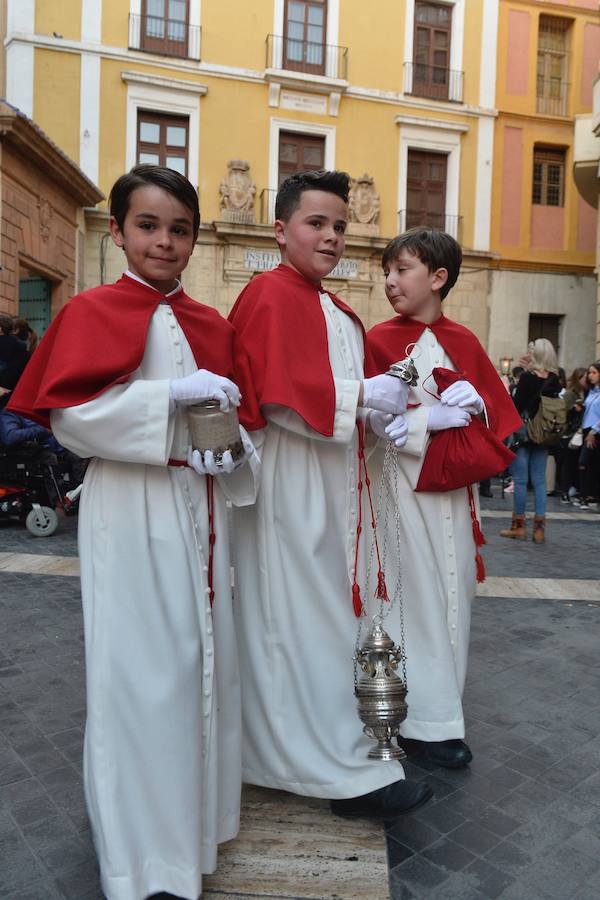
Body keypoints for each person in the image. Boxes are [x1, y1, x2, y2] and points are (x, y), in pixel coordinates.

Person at [8, 164, 260, 900]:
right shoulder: (89, 312)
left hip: (201, 511)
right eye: (148, 226)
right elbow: (70, 419)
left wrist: (235, 448)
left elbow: (243, 432)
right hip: (133, 507)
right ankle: (141, 862)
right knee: (139, 680)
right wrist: (164, 399)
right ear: (117, 231)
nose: (164, 242)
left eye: (179, 229)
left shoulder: (215, 324)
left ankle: (194, 836)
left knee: (203, 670)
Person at [229, 169, 432, 820]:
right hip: (291, 482)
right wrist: (359, 400)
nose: (332, 236)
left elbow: (340, 391)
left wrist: (373, 415)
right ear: (280, 230)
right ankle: (321, 766)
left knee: (326, 622)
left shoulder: (334, 307)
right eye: (317, 223)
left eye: (341, 225)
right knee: (295, 622)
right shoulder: (268, 294)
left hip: (334, 481)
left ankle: (336, 750)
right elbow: (275, 396)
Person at [365, 228, 521, 769]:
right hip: (399, 495)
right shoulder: (378, 339)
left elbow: (499, 421)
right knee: (413, 600)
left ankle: (443, 717)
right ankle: (404, 717)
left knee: (455, 599)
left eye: (401, 270)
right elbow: (365, 425)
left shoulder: (466, 341)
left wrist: (477, 402)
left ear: (438, 278)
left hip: (456, 498)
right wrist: (425, 417)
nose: (390, 281)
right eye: (387, 271)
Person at [500, 338, 562, 543]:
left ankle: (518, 527)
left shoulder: (527, 378)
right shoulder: (555, 378)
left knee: (520, 480)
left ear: (535, 355)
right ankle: (539, 530)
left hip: (524, 434)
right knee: (540, 482)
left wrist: (521, 379)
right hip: (543, 435)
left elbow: (516, 407)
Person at [558, 367, 586, 503]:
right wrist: (574, 409)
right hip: (570, 433)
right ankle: (565, 491)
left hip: (581, 432)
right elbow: (562, 412)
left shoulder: (586, 393)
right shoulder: (571, 394)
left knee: (577, 463)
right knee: (568, 463)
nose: (586, 379)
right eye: (583, 377)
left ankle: (573, 489)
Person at [575, 361, 600, 510]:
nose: (590, 376)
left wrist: (594, 431)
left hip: (595, 432)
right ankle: (588, 495)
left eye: (594, 372)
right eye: (589, 373)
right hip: (586, 430)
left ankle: (587, 496)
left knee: (585, 462)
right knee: (589, 464)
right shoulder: (591, 391)